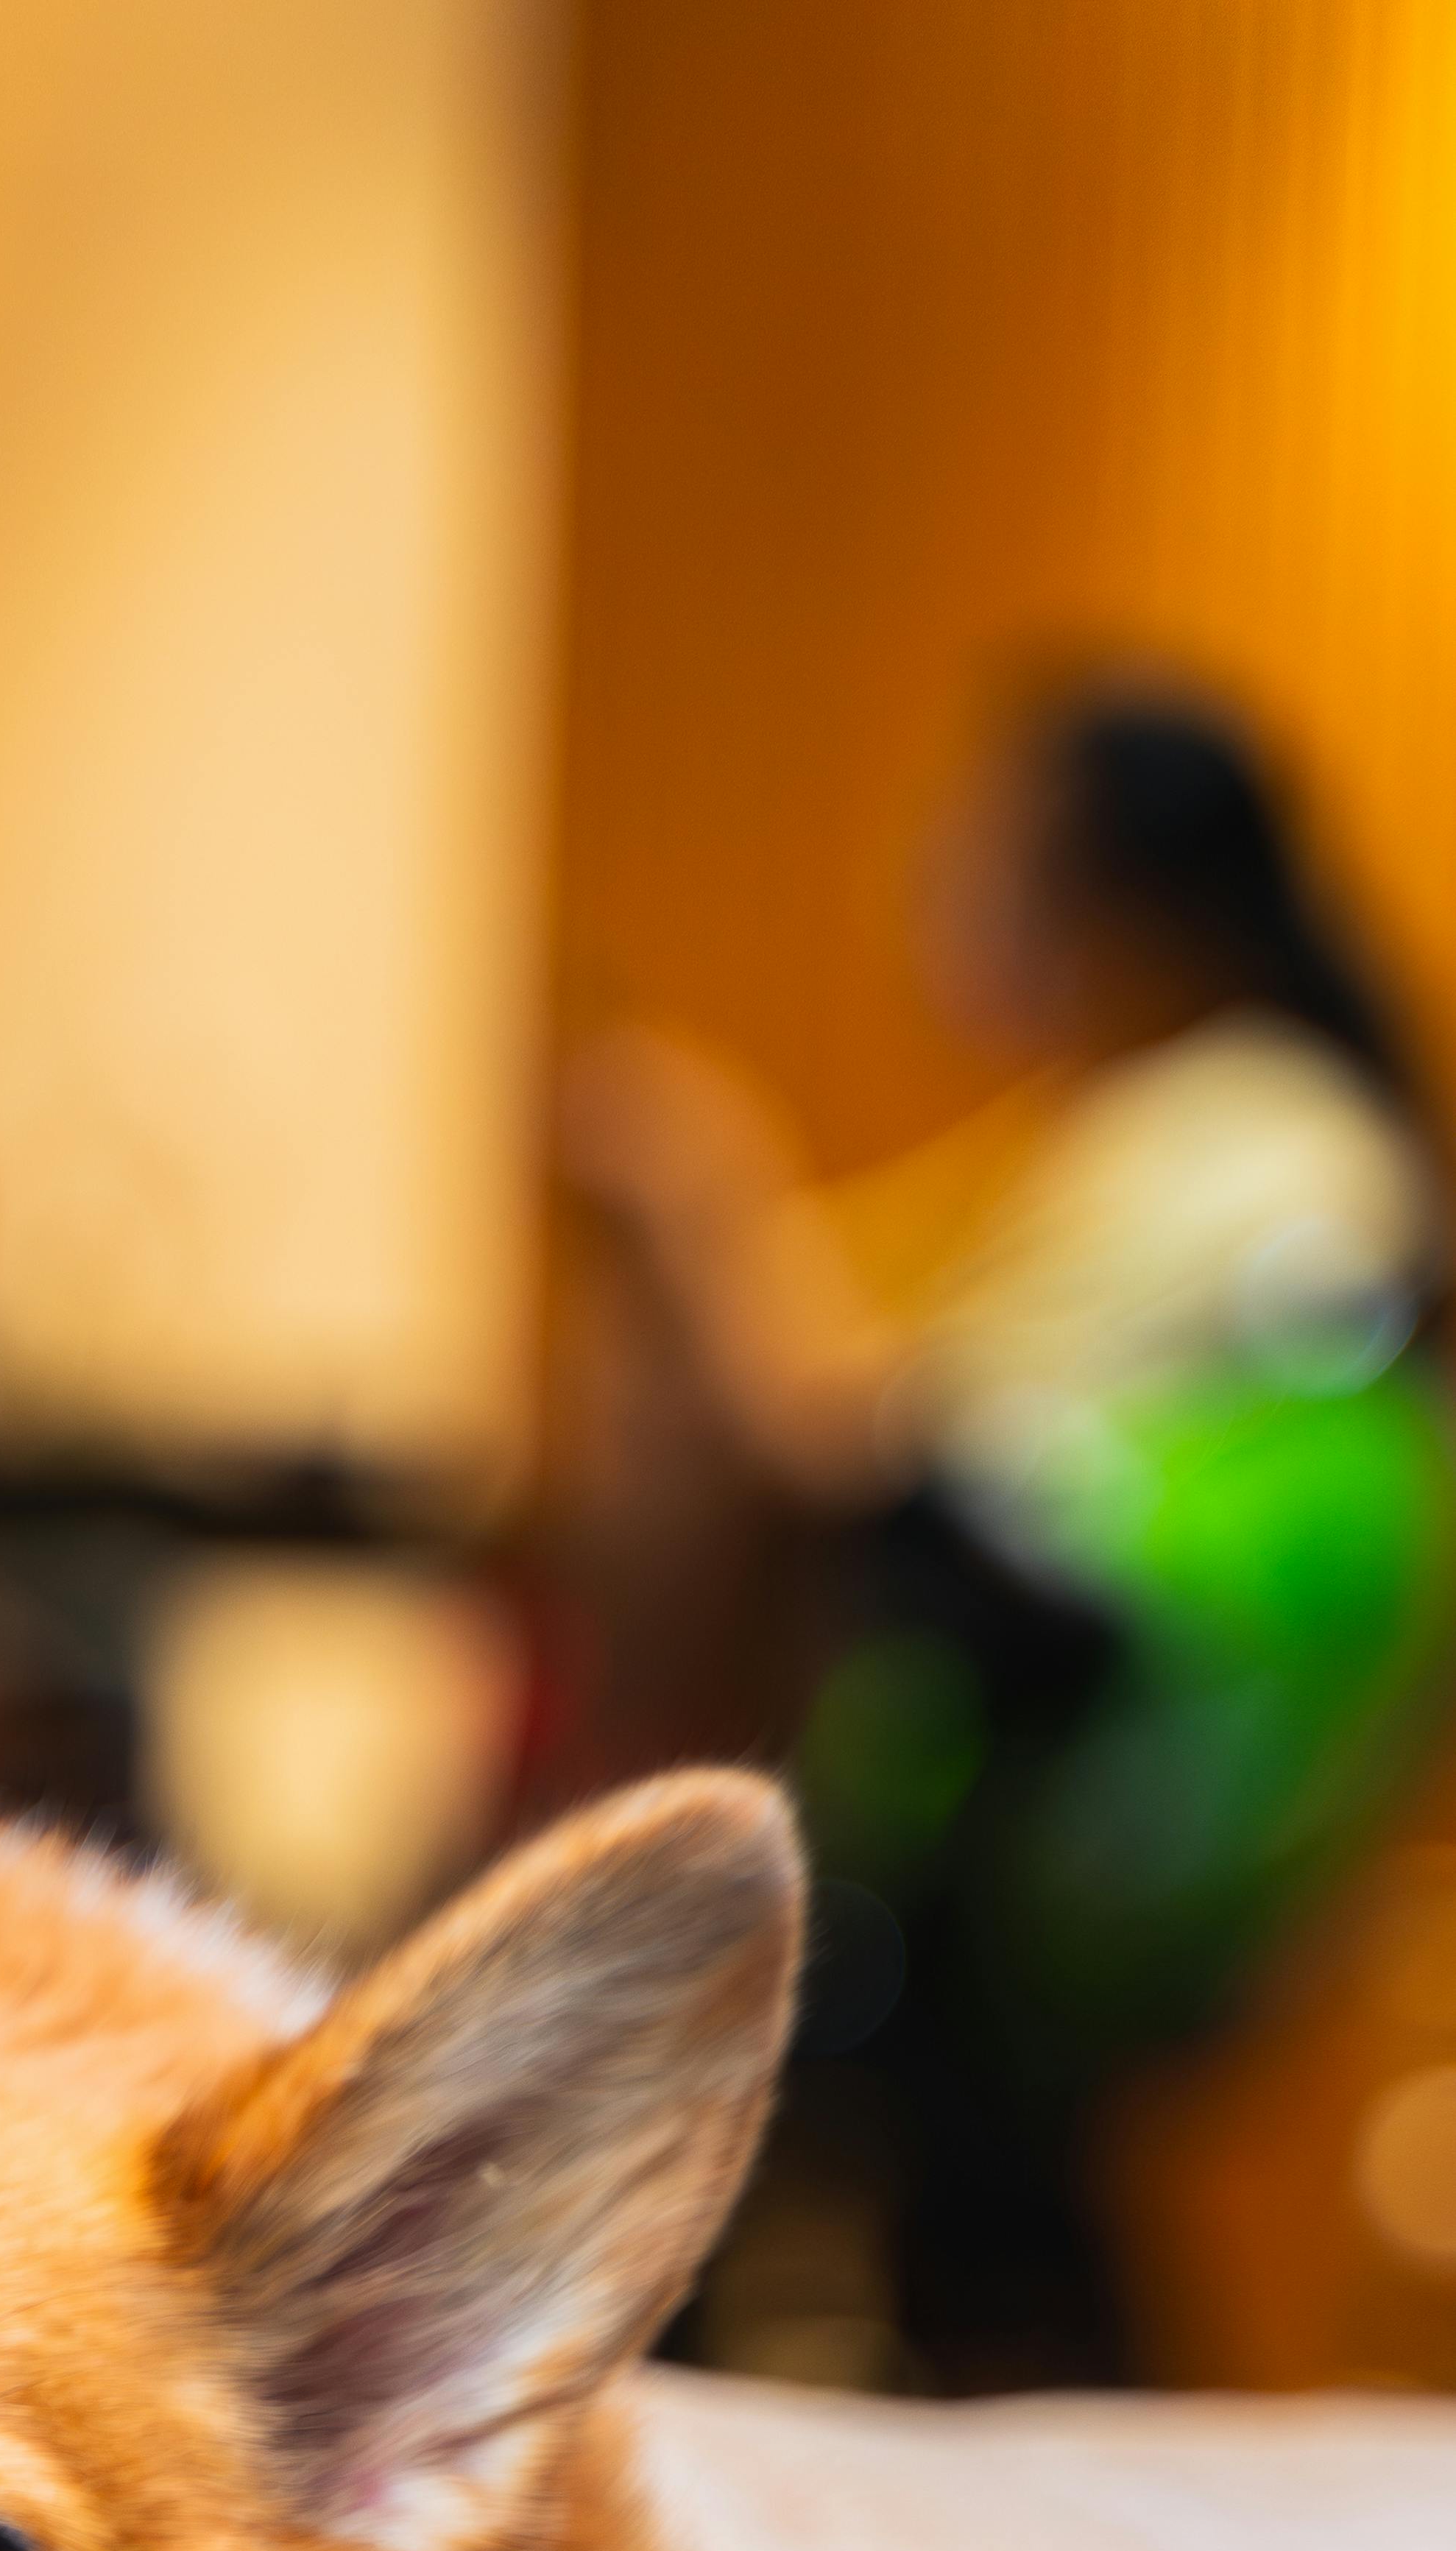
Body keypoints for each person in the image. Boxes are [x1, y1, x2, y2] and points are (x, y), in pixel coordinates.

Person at [551, 677, 1456, 2378]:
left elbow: (859, 1436)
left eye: (973, 849)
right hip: (1021, 1789)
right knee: (995, 2246)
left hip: (1077, 1808)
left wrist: (696, 1187)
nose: (930, 891)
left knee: (922, 2184)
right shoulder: (1126, 1123)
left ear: (1107, 893)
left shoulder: (1248, 1134)